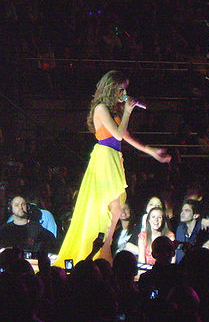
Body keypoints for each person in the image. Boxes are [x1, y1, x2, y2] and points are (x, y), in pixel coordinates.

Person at [54, 70, 171, 267]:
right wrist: (127, 111)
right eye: (121, 88)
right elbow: (117, 135)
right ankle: (101, 250)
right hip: (104, 157)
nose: (124, 92)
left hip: (114, 157)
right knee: (111, 208)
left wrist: (150, 151)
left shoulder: (114, 110)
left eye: (125, 89)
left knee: (115, 209)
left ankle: (104, 249)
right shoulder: (100, 108)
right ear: (111, 88)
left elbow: (124, 135)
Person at [176, 199, 202, 263]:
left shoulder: (201, 231)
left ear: (196, 215)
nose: (182, 213)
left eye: (187, 211)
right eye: (182, 210)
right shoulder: (180, 229)